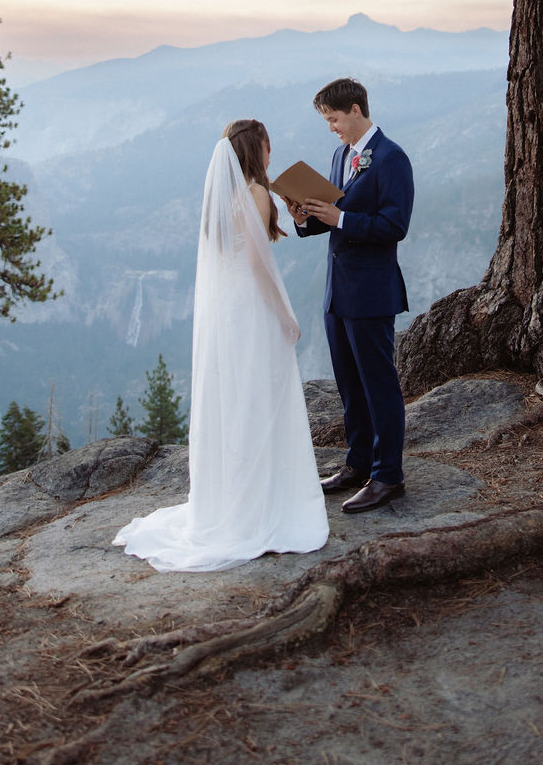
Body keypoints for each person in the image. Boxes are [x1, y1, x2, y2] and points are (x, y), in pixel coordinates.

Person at [113, 120, 328, 572]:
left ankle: (233, 499)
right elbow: (256, 263)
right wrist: (286, 314)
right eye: (270, 145)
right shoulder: (255, 194)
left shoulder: (228, 197)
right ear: (259, 148)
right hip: (252, 308)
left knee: (237, 399)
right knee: (260, 399)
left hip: (228, 311)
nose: (273, 153)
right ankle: (263, 504)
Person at [292, 79, 414, 514]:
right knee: (349, 384)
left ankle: (387, 475)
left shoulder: (391, 158)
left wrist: (342, 218)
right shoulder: (341, 155)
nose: (331, 128)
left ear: (357, 110)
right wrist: (307, 217)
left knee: (378, 385)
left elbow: (395, 226)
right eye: (327, 120)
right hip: (337, 291)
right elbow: (334, 215)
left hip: (371, 291)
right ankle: (357, 463)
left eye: (334, 119)